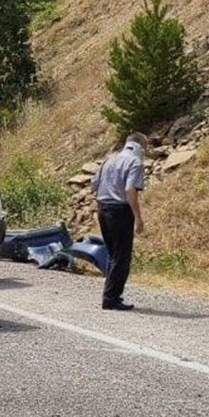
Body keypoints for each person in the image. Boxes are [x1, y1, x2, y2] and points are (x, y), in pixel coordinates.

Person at [91, 132, 148, 311]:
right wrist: (138, 217)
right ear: (141, 147)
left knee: (112, 254)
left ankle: (110, 294)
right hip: (120, 210)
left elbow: (94, 184)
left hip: (103, 207)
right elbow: (130, 189)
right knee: (121, 257)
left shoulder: (110, 160)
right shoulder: (135, 162)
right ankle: (111, 298)